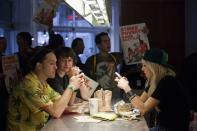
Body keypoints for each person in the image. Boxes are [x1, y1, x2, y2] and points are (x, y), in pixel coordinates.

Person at [7, 48, 84, 131]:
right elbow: (56, 112)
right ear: (39, 66)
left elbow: (64, 104)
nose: (56, 67)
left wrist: (74, 86)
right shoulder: (29, 85)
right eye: (51, 63)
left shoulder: (43, 83)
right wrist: (71, 86)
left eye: (55, 63)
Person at [115, 48, 190, 131]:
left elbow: (143, 109)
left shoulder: (167, 81)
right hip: (163, 126)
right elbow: (139, 102)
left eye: (144, 65)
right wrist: (127, 86)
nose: (142, 69)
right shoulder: (154, 81)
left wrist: (127, 88)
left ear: (153, 66)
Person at [85, 32, 122, 100]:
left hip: (115, 95)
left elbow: (132, 49)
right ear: (98, 45)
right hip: (100, 96)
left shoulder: (115, 56)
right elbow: (87, 80)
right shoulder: (91, 60)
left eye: (109, 40)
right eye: (105, 41)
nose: (108, 43)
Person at [0, 36, 9, 131]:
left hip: (6, 90)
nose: (4, 45)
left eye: (5, 43)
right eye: (2, 43)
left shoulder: (5, 57)